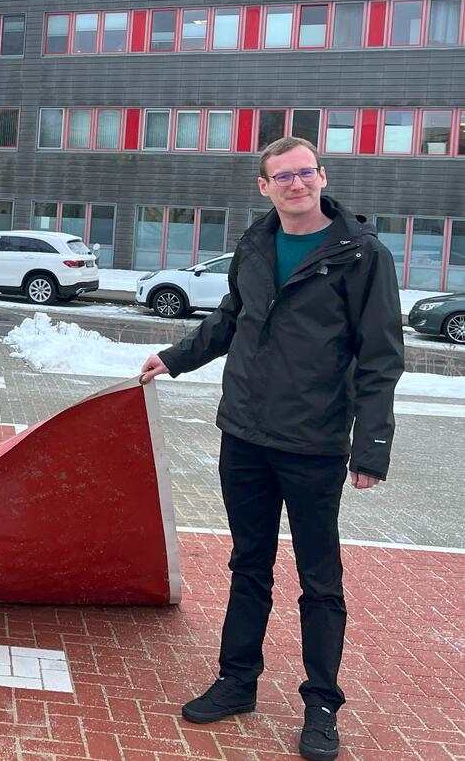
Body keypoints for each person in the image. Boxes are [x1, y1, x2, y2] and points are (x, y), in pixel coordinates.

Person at [139, 137, 402, 761]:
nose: (295, 183)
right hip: (245, 437)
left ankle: (322, 705)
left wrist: (371, 448)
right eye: (281, 176)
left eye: (304, 172)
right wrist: (175, 359)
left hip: (313, 444)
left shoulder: (362, 255)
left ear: (321, 176)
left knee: (320, 579)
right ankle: (237, 682)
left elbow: (381, 356)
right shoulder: (255, 244)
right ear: (263, 186)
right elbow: (233, 317)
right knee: (248, 566)